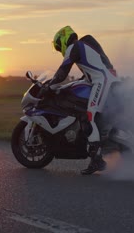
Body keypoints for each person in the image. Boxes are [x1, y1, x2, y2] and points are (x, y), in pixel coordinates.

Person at [48, 26, 120, 175]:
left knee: (89, 115)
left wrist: (48, 86)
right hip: (108, 80)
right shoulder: (86, 44)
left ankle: (97, 160)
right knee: (90, 114)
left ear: (62, 39)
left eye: (57, 46)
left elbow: (63, 71)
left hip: (102, 81)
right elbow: (99, 64)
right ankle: (103, 142)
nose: (58, 49)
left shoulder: (73, 47)